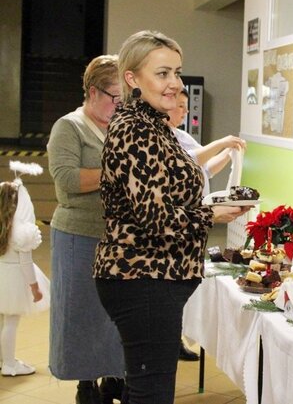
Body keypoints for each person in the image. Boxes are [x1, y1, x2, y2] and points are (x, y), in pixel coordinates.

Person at [93, 30, 247, 404]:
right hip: (142, 275)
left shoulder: (155, 125)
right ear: (132, 78)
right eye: (162, 73)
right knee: (151, 392)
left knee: (146, 388)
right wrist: (212, 214)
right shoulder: (134, 129)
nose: (174, 83)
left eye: (176, 72)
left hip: (155, 276)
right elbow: (154, 218)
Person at [47, 55, 125, 404]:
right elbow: (67, 179)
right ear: (93, 92)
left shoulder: (118, 127)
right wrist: (117, 172)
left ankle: (114, 376)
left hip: (118, 238)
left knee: (114, 313)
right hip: (78, 236)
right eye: (115, 97)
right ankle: (85, 383)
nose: (120, 105)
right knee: (82, 312)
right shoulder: (70, 127)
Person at [168, 88, 246, 361]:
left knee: (183, 284)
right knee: (172, 284)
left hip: (195, 223)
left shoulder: (182, 135)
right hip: (177, 222)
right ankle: (170, 340)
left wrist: (228, 153)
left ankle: (176, 337)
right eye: (180, 106)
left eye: (186, 106)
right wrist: (222, 142)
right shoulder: (161, 139)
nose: (185, 112)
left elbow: (205, 169)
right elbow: (189, 161)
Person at [0, 161, 50, 377]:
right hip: (13, 280)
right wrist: (35, 288)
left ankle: (3, 359)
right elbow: (25, 263)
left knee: (2, 321)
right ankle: (10, 364)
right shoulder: (22, 232)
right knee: (11, 322)